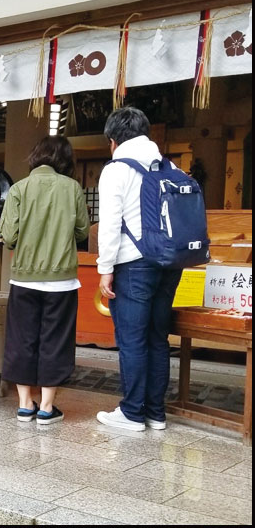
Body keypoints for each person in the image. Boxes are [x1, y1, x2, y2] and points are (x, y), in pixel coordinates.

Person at [96, 106, 182, 432]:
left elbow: (109, 225)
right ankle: (156, 413)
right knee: (158, 338)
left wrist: (105, 269)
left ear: (114, 140)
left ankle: (132, 412)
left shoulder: (116, 169)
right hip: (169, 263)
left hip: (133, 264)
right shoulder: (170, 165)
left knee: (132, 340)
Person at [0, 136, 90, 424]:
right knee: (56, 341)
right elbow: (82, 231)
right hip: (62, 281)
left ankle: (26, 404)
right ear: (65, 160)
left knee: (21, 340)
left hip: (24, 279)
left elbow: (9, 237)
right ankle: (47, 408)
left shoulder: (18, 189)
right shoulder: (72, 188)